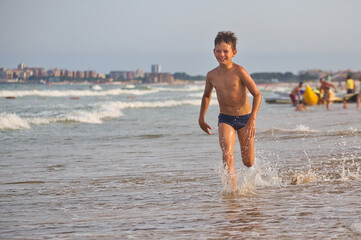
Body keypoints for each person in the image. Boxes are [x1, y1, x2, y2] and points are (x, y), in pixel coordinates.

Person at [198, 31, 262, 192]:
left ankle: (253, 179)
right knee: (227, 155)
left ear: (234, 52)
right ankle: (232, 192)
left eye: (226, 51)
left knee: (248, 162)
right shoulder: (211, 75)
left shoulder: (239, 71)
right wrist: (201, 118)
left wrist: (252, 120)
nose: (222, 54)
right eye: (218, 51)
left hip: (245, 119)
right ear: (213, 52)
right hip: (225, 119)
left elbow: (257, 94)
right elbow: (206, 96)